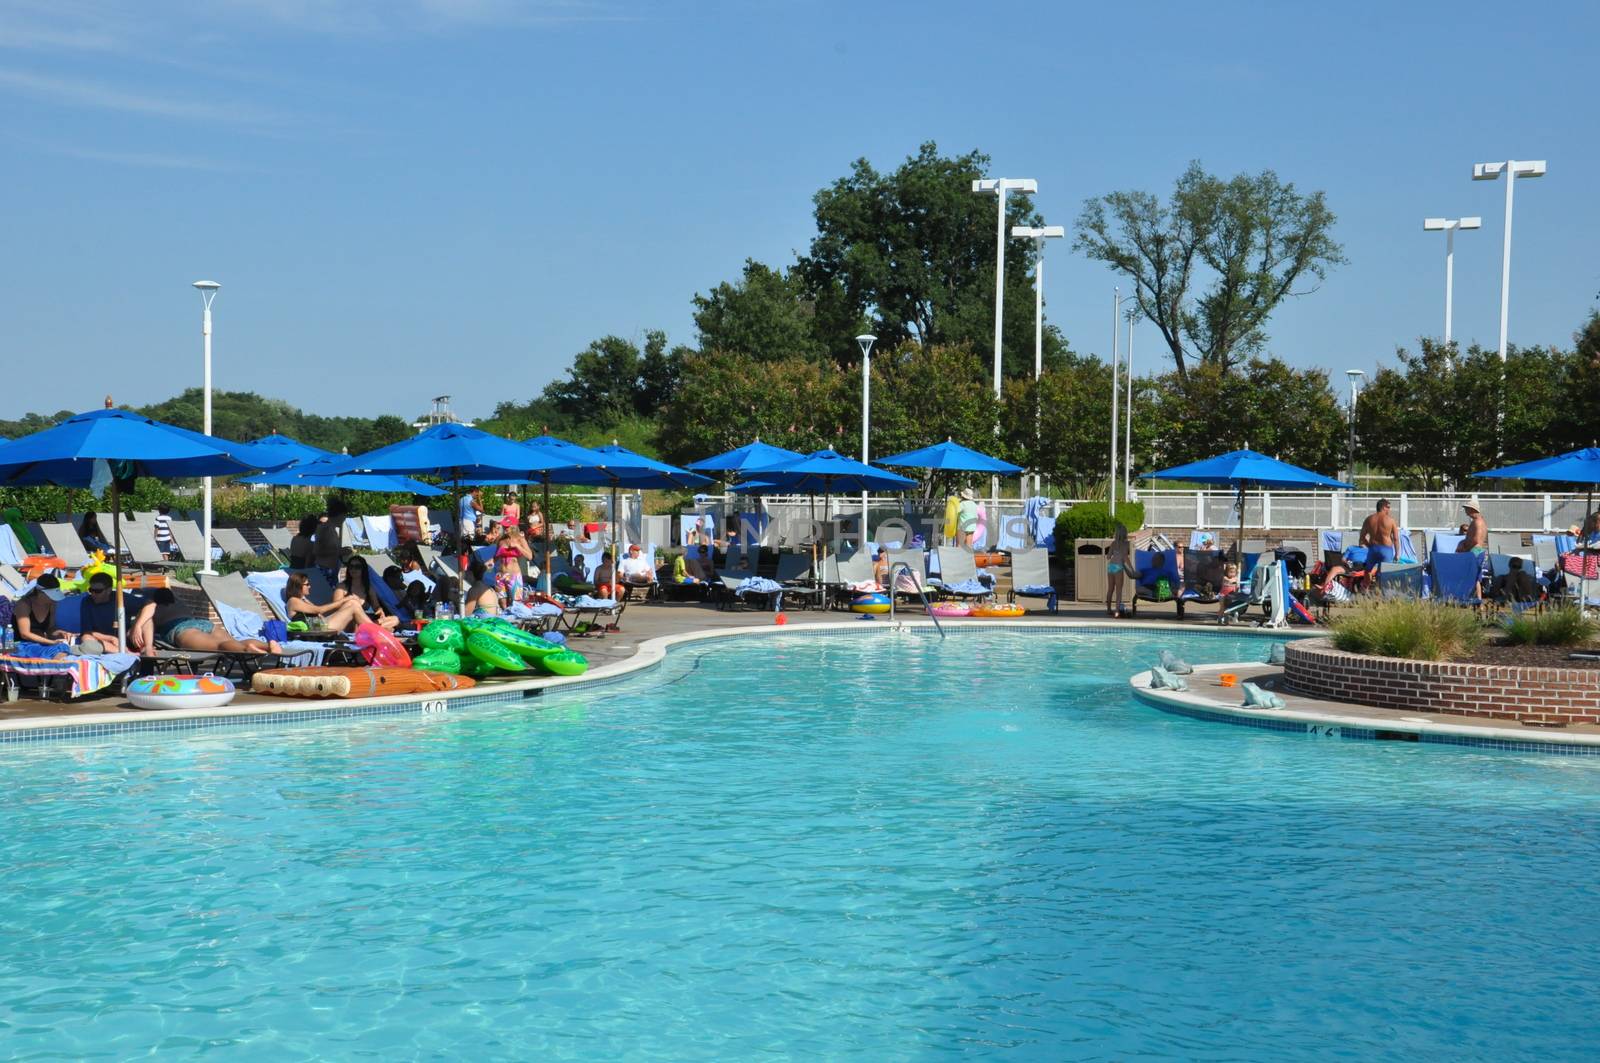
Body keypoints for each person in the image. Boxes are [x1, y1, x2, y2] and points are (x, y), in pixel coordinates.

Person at [138, 589, 282, 656]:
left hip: (182, 629)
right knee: (235, 641)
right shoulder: (178, 602)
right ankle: (266, 646)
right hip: (203, 623)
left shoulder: (151, 604)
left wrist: (137, 626)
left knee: (219, 646)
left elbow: (147, 620)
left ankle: (247, 650)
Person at [1320, 499, 1401, 592]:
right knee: (1385, 572)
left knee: (1368, 571)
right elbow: (1396, 538)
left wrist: (1370, 546)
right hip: (1386, 549)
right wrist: (1397, 554)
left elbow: (1362, 537)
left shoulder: (1369, 519)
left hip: (1373, 549)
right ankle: (1382, 594)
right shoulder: (1390, 520)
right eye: (1388, 507)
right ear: (1383, 507)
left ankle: (1364, 591)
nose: (1389, 510)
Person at [80, 571, 146, 652]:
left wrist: (138, 626)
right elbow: (88, 632)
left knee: (147, 619)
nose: (93, 594)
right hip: (104, 642)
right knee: (86, 637)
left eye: (98, 591)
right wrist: (111, 638)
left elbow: (150, 604)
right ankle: (126, 653)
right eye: (91, 590)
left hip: (127, 639)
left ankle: (148, 649)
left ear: (109, 590)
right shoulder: (87, 601)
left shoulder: (120, 598)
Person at [285, 571, 367, 633]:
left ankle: (376, 633)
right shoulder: (293, 601)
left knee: (352, 603)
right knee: (353, 606)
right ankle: (377, 635)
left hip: (321, 626)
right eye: (307, 584)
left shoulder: (302, 600)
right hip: (319, 630)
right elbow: (319, 610)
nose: (310, 586)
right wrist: (345, 599)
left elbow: (319, 614)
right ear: (298, 586)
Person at [334, 556, 399, 631]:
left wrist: (380, 611)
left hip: (365, 622)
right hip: (349, 623)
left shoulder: (368, 587)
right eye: (351, 566)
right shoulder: (342, 586)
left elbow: (376, 606)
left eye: (357, 567)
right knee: (388, 629)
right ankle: (376, 629)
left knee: (395, 619)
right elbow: (336, 608)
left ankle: (373, 629)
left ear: (363, 569)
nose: (353, 569)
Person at [12, 574, 71, 648]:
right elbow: (24, 634)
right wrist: (51, 642)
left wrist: (60, 633)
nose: (54, 599)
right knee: (60, 650)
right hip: (19, 645)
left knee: (64, 649)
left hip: (40, 644)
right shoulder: (23, 604)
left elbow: (50, 629)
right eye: (51, 596)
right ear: (40, 593)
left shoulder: (52, 604)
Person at [313, 498, 348, 586]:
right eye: (345, 516)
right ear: (339, 515)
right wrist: (342, 551)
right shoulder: (326, 529)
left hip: (330, 570)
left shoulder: (330, 529)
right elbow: (319, 551)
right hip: (325, 571)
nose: (345, 519)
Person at [1105, 523, 1130, 619]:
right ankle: (1116, 612)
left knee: (1110, 589)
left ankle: (1108, 609)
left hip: (1111, 566)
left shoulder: (1113, 543)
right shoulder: (1126, 543)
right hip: (1118, 567)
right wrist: (1131, 568)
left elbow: (1108, 557)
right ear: (1125, 533)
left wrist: (1114, 553)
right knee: (1119, 591)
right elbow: (1125, 557)